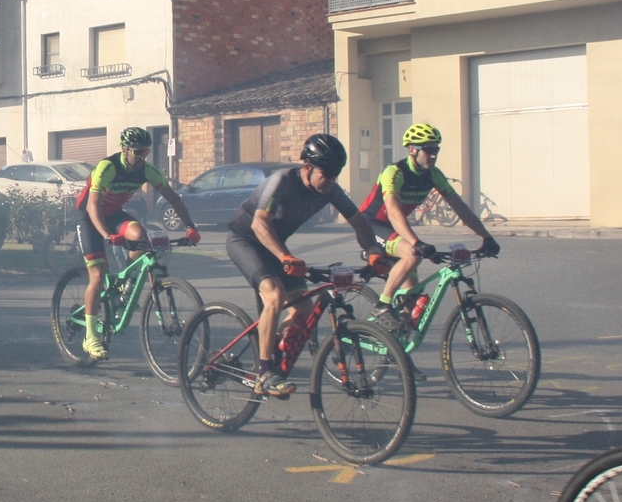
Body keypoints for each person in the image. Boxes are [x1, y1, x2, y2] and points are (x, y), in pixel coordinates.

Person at [227, 134, 390, 395]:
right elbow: (259, 222)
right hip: (245, 240)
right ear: (307, 167)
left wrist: (372, 252)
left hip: (276, 246)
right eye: (326, 174)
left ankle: (271, 341)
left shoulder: (330, 189)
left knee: (304, 308)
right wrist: (284, 256)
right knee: (274, 295)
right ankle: (264, 373)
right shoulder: (282, 181)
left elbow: (359, 222)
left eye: (336, 175)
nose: (331, 180)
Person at [358, 123, 499, 351]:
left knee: (411, 300)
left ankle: (397, 354)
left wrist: (487, 237)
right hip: (370, 226)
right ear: (412, 150)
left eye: (436, 149)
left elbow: (460, 207)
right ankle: (382, 305)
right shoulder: (394, 172)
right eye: (429, 150)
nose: (434, 155)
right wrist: (417, 243)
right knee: (413, 254)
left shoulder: (434, 175)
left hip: (394, 230)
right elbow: (393, 212)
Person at [72, 128, 200, 361]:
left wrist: (190, 226)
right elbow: (93, 205)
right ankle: (90, 337)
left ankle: (125, 282)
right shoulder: (107, 167)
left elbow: (173, 197)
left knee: (141, 235)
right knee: (98, 275)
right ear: (125, 149)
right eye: (138, 152)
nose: (142, 157)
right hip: (89, 216)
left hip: (113, 214)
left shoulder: (147, 170)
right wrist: (107, 235)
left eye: (146, 152)